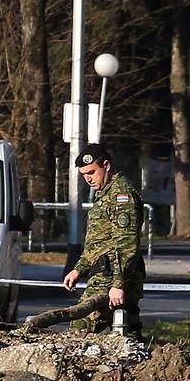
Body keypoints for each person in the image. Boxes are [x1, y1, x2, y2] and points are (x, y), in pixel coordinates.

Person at [61, 144, 145, 337]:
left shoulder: (121, 196)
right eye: (83, 174)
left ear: (106, 165)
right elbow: (99, 242)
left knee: (79, 333)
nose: (88, 178)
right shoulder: (105, 194)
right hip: (107, 274)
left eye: (91, 172)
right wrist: (79, 269)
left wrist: (118, 284)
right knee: (128, 334)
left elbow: (126, 244)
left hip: (110, 277)